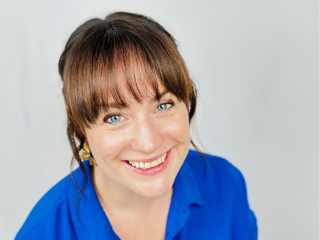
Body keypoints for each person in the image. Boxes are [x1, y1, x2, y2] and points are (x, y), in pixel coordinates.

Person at [16, 12, 257, 240]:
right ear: (82, 131)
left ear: (187, 103)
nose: (148, 142)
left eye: (163, 105)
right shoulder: (44, 232)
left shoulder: (226, 186)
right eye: (114, 117)